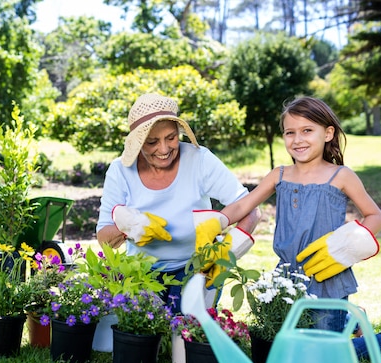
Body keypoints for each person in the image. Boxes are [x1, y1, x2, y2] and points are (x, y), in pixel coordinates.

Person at [219, 96, 381, 358]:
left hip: (327, 276)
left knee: (324, 356)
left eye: (307, 130)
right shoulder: (280, 175)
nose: (297, 140)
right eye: (290, 133)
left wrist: (344, 248)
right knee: (286, 351)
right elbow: (243, 206)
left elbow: (375, 216)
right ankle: (350, 321)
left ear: (328, 133)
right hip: (287, 279)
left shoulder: (341, 175)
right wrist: (217, 221)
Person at [96, 93, 261, 313]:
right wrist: (129, 226)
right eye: (152, 142)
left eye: (171, 138)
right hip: (143, 271)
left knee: (185, 334)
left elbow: (250, 208)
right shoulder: (120, 170)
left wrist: (228, 251)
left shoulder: (199, 160)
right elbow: (104, 238)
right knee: (147, 335)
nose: (164, 150)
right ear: (137, 143)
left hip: (196, 268)